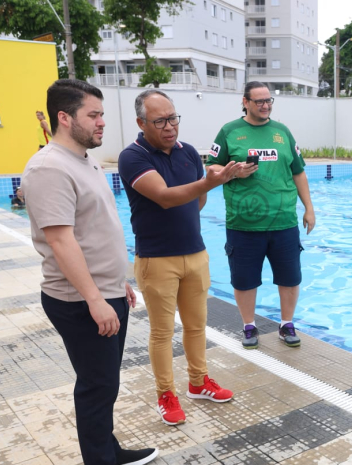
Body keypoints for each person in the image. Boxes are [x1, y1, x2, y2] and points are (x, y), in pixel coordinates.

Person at [22, 79, 156, 465]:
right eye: (93, 115)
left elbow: (95, 231)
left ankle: (111, 449)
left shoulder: (87, 161)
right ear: (65, 117)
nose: (102, 123)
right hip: (80, 301)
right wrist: (96, 299)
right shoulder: (48, 169)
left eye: (101, 114)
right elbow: (62, 243)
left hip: (106, 291)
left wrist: (118, 282)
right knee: (96, 387)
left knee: (106, 382)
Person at [119, 90, 241, 426]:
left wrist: (213, 181)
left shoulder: (188, 153)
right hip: (157, 259)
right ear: (141, 123)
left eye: (173, 118)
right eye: (160, 121)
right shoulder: (132, 157)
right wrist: (210, 182)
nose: (170, 126)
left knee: (196, 326)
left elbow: (194, 203)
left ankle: (199, 383)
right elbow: (165, 198)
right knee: (162, 332)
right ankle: (165, 394)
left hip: (195, 253)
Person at [206, 82, 315, 350]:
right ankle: (249, 326)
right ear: (245, 102)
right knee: (245, 280)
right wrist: (233, 171)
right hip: (243, 223)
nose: (265, 106)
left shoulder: (282, 132)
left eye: (269, 101)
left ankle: (286, 324)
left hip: (283, 221)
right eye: (259, 101)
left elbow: (298, 171)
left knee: (290, 277)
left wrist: (309, 208)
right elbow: (211, 167)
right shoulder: (229, 131)